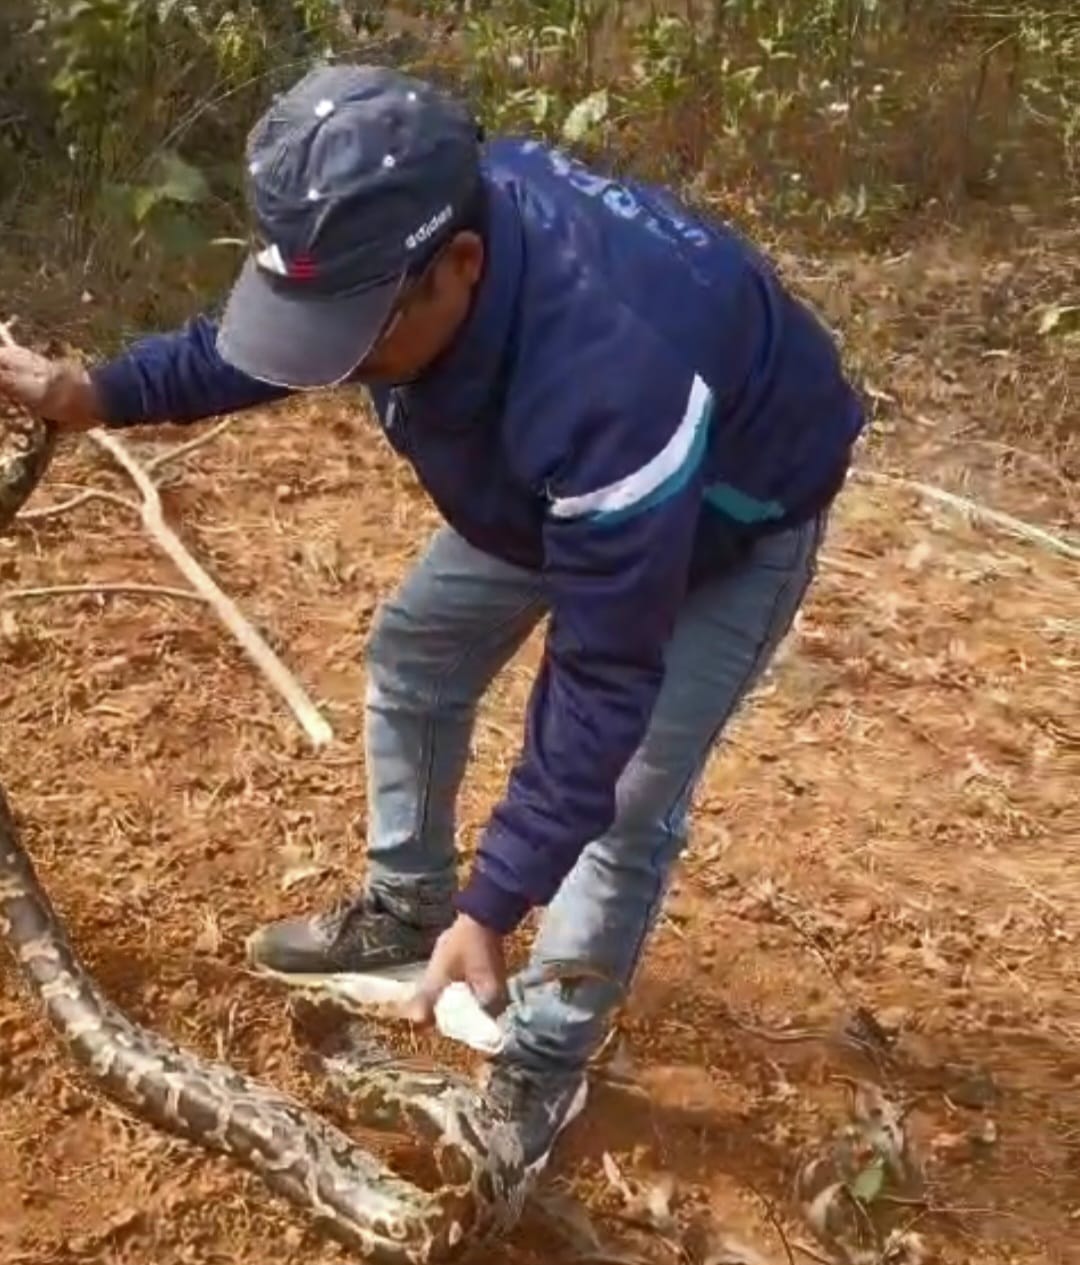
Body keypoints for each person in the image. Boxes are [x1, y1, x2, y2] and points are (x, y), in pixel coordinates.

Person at [0, 63, 865, 1175]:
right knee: (418, 650)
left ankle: (537, 1071)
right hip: (543, 483)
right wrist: (98, 390)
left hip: (725, 512)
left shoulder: (613, 377)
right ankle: (410, 906)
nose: (339, 365)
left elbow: (602, 675)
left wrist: (500, 895)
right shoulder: (396, 223)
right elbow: (274, 340)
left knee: (631, 798)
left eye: (359, 333)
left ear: (460, 269)